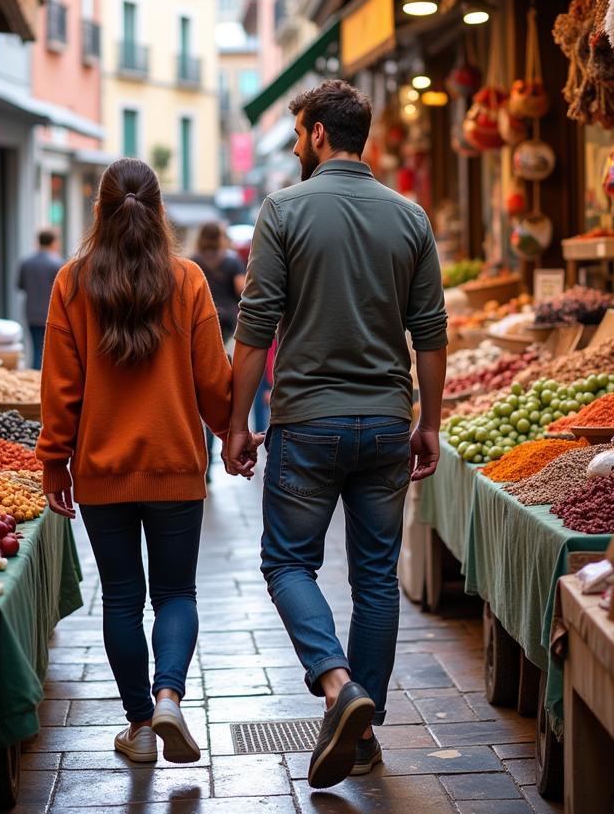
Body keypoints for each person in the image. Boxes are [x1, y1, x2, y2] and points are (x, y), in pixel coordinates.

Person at [224, 80, 448, 790]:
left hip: (306, 424)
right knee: (377, 577)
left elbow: (255, 327)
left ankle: (337, 687)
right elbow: (432, 334)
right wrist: (431, 421)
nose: (294, 146)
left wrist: (237, 422)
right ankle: (365, 728)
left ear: (319, 134)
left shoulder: (284, 209)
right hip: (386, 421)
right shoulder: (409, 216)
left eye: (297, 134)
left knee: (288, 564)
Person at [36, 158, 261, 766]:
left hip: (101, 469)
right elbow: (214, 380)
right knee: (175, 593)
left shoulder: (72, 283)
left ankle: (139, 726)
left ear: (97, 211)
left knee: (120, 599)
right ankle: (168, 697)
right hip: (175, 464)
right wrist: (233, 432)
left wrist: (55, 459)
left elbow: (61, 387)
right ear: (160, 212)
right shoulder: (187, 280)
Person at [190, 223, 246, 468]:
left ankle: (201, 452)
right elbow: (242, 290)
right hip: (228, 325)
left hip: (199, 324)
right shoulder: (231, 261)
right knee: (216, 382)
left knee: (196, 387)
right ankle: (218, 444)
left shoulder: (194, 262)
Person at [17, 229, 64, 370]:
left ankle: (34, 376)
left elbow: (20, 285)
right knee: (47, 351)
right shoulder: (58, 264)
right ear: (54, 243)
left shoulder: (26, 262)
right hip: (51, 313)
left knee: (36, 347)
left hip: (31, 312)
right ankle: (40, 380)